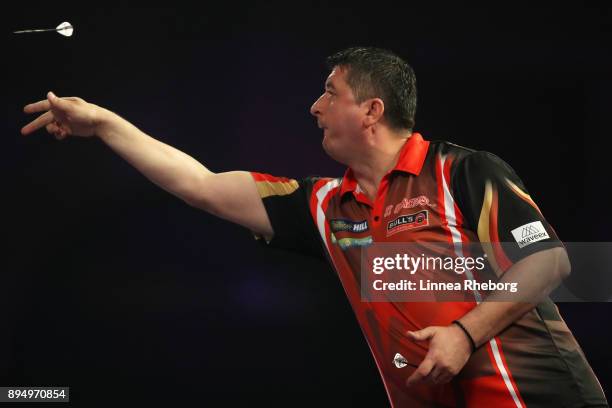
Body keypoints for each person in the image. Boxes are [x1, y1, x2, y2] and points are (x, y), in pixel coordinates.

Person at [21, 47, 607, 407]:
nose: (314, 107)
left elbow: (552, 262)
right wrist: (103, 124)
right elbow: (201, 185)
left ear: (372, 111)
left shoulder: (464, 171)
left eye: (330, 93)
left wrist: (464, 334)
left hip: (540, 399)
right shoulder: (327, 206)